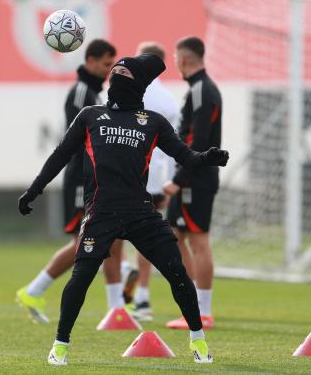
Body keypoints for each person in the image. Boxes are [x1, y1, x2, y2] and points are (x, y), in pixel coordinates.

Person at [18, 53, 229, 365]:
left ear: (138, 85)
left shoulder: (153, 122)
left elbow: (185, 156)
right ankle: (60, 346)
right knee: (81, 276)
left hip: (141, 212)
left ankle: (198, 341)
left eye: (123, 73)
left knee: (177, 273)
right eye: (113, 72)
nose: (115, 77)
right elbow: (60, 154)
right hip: (101, 211)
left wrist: (207, 157)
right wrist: (34, 189)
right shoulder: (90, 116)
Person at [16, 39, 133, 322]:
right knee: (87, 242)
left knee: (111, 239)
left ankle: (117, 307)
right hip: (82, 178)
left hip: (95, 178)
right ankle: (34, 290)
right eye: (106, 64)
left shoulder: (95, 93)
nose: (109, 70)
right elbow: (78, 141)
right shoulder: (82, 93)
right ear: (90, 61)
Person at [163, 37, 222, 330]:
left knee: (198, 240)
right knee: (174, 235)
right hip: (192, 177)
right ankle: (194, 306)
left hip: (195, 180)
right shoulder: (198, 90)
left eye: (175, 58)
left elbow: (197, 142)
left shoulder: (201, 90)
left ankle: (203, 312)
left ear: (183, 60)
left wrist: (178, 180)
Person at [126, 41, 179, 322]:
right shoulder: (169, 100)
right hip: (156, 181)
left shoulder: (130, 93)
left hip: (128, 177)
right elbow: (174, 146)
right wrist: (170, 182)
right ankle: (143, 296)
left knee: (109, 232)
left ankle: (122, 284)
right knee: (146, 238)